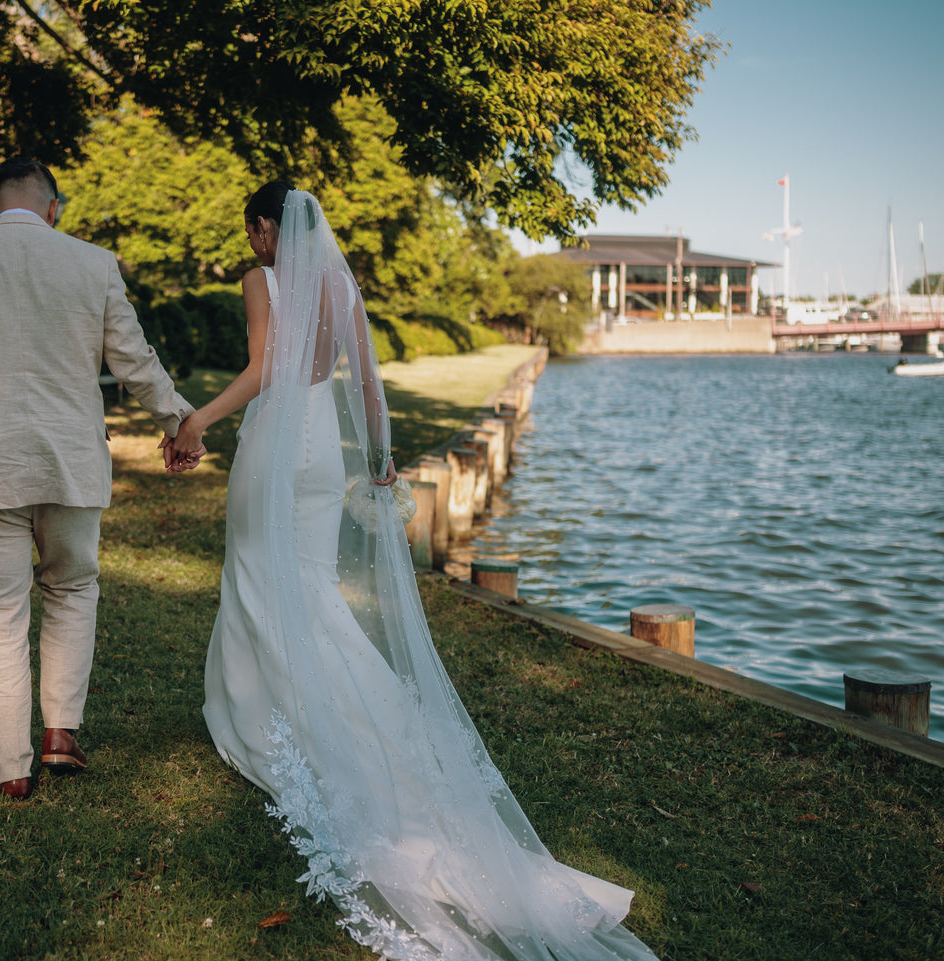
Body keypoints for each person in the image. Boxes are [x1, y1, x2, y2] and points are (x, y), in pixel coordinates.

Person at [170, 184, 661, 960]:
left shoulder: (261, 281)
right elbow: (365, 383)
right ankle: (355, 719)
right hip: (324, 452)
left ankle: (258, 718)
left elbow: (263, 369)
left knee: (258, 576)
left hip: (271, 444)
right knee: (308, 585)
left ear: (267, 229)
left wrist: (198, 417)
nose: (256, 246)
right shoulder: (339, 282)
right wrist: (380, 460)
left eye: (255, 232)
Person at [0, 159, 201, 800]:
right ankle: (60, 734)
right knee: (72, 589)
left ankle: (10, 770)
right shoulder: (92, 263)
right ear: (53, 207)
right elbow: (134, 360)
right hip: (69, 461)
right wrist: (178, 420)